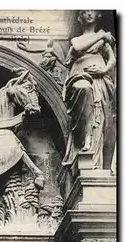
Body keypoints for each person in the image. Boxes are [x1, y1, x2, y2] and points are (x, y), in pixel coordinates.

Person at [62, 10, 116, 170]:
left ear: (98, 15)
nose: (89, 14)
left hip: (100, 80)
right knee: (83, 88)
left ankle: (91, 143)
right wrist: (102, 35)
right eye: (84, 12)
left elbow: (112, 58)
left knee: (100, 115)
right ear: (79, 18)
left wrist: (104, 70)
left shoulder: (103, 41)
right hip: (79, 75)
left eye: (92, 11)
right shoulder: (77, 39)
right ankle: (86, 136)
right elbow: (78, 47)